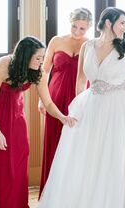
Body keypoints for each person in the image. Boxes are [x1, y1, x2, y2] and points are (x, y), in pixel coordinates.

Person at [38, 7, 125, 208]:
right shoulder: (88, 47)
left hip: (120, 107)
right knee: (88, 157)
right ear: (107, 23)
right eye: (122, 22)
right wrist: (78, 107)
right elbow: (81, 80)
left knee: (116, 155)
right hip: (91, 104)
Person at [0, 36, 75, 208]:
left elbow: (48, 102)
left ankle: (17, 203)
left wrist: (62, 116)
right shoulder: (3, 66)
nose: (41, 61)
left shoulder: (38, 72)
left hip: (14, 107)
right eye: (38, 58)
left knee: (20, 152)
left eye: (43, 57)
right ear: (24, 56)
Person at [38, 7, 92, 196]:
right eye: (74, 26)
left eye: (82, 29)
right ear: (70, 22)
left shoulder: (90, 44)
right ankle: (51, 193)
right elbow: (44, 71)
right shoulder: (56, 41)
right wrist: (41, 99)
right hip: (55, 96)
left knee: (77, 143)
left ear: (89, 28)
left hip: (79, 98)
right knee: (54, 139)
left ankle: (73, 193)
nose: (77, 32)